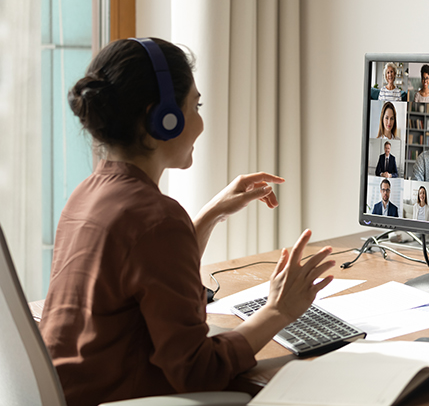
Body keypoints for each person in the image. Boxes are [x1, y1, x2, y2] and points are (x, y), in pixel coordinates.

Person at [38, 38, 336, 406]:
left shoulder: (87, 195)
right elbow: (199, 371)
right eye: (195, 105)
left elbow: (143, 273)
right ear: (162, 119)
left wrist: (211, 214)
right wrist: (279, 310)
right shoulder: (155, 220)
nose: (201, 122)